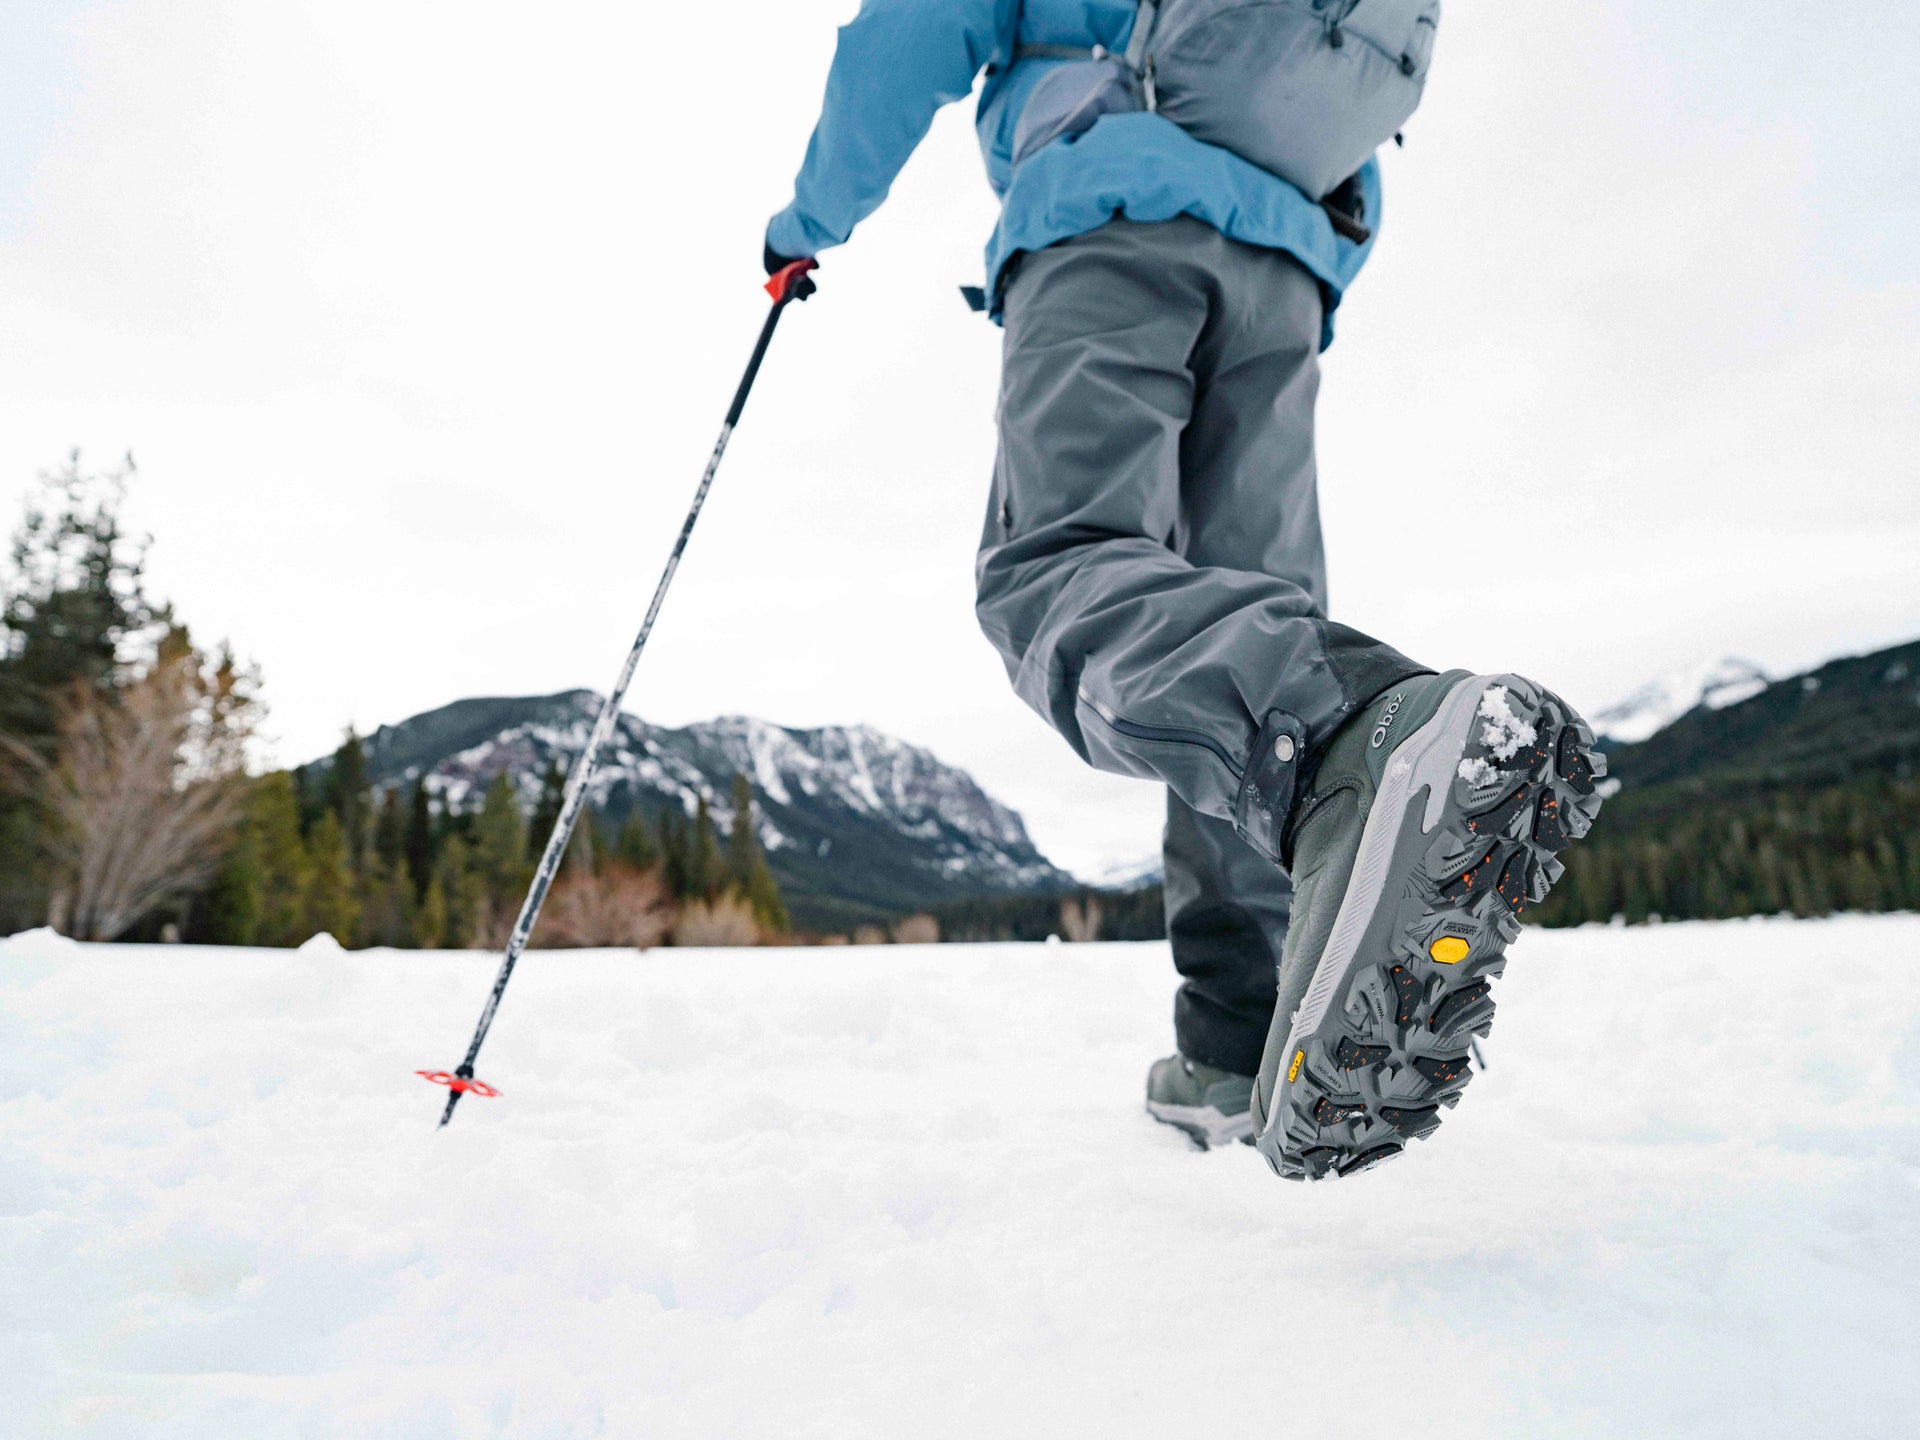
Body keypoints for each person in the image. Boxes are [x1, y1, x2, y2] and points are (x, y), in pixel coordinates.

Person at [764, 0, 1606, 1180]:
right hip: (1286, 266)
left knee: (1058, 566)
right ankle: (1242, 1034)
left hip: (1110, 212)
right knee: (1241, 610)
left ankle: (1353, 739)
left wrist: (808, 224)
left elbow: (913, 26)